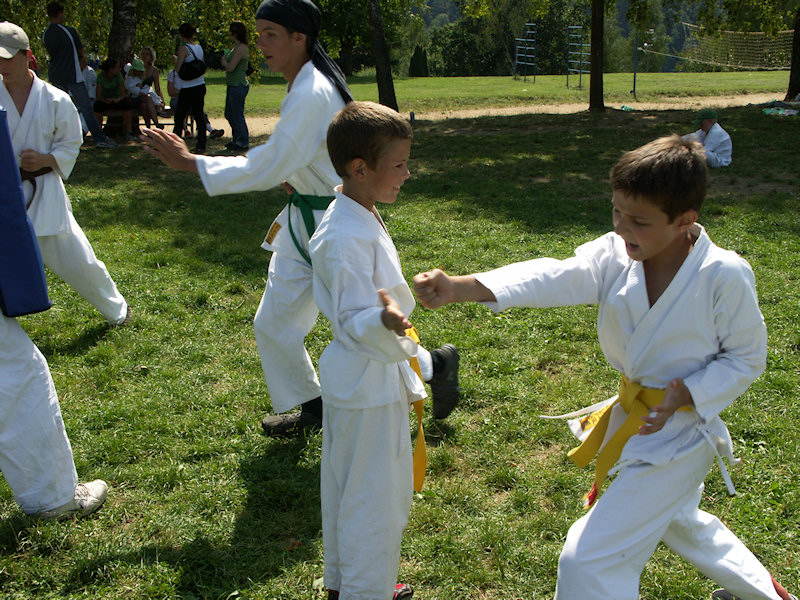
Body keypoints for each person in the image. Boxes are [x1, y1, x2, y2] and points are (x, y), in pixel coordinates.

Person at [413, 135, 795, 600]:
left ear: (684, 220)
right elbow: (554, 275)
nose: (622, 228)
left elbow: (747, 356)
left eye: (639, 221)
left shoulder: (723, 274)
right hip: (637, 423)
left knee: (589, 559)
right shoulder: (616, 254)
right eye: (617, 212)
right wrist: (462, 287)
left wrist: (690, 392)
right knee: (679, 521)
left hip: (681, 436)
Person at [141, 0, 459, 437]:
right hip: (303, 218)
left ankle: (435, 365)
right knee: (274, 323)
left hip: (336, 223)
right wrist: (294, 175)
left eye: (271, 34)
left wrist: (192, 162)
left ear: (299, 38)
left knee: (363, 322)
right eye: (259, 34)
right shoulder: (304, 84)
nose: (261, 44)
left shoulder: (311, 90)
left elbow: (270, 161)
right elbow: (296, 155)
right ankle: (316, 407)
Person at [311, 100, 419, 600]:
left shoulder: (357, 212)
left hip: (365, 378)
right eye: (398, 165)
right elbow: (354, 318)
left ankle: (347, 584)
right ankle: (363, 592)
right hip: (366, 381)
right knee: (375, 500)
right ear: (360, 169)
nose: (407, 173)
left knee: (350, 490)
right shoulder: (343, 236)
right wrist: (383, 320)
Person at [0, 22, 130, 327]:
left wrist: (46, 159)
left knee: (78, 260)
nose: (1, 65)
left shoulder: (55, 99)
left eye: (6, 58)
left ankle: (116, 309)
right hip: (4, 194)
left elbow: (72, 143)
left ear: (27, 56)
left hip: (43, 190)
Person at [41, 2, 117, 148]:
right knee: (86, 107)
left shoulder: (46, 34)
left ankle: (59, 139)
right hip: (72, 74)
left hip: (55, 75)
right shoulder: (69, 31)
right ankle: (100, 139)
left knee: (59, 108)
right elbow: (80, 53)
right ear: (61, 13)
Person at [173, 23, 207, 153]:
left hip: (187, 87)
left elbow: (178, 67)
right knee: (199, 115)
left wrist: (176, 60)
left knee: (180, 116)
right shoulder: (199, 47)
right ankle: (201, 144)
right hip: (200, 84)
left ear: (181, 35)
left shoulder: (184, 48)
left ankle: (175, 144)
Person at [165, 67, 223, 139]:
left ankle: (209, 130)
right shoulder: (173, 73)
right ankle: (191, 131)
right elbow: (171, 92)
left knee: (196, 109)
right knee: (185, 107)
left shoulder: (190, 72)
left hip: (188, 99)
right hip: (176, 100)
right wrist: (185, 92)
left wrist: (181, 91)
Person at [221, 21, 250, 151]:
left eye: (231, 31)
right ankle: (236, 139)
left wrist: (224, 62)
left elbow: (231, 67)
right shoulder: (235, 47)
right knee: (229, 113)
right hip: (232, 84)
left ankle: (243, 141)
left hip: (238, 85)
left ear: (236, 33)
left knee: (237, 114)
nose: (229, 33)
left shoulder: (241, 48)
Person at [94, 57, 137, 142]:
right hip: (105, 100)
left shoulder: (119, 76)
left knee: (127, 104)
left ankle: (129, 132)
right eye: (117, 67)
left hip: (117, 99)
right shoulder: (100, 76)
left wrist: (118, 99)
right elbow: (98, 95)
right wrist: (105, 100)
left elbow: (123, 94)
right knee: (97, 106)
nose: (119, 69)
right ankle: (98, 133)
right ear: (111, 69)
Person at [125, 57, 160, 129]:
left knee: (144, 105)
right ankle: (156, 123)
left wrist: (142, 87)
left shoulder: (140, 78)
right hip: (132, 99)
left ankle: (150, 126)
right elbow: (137, 92)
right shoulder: (129, 79)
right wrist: (141, 88)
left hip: (142, 100)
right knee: (147, 98)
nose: (139, 72)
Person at [138, 45, 167, 116]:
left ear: (151, 57)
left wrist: (162, 101)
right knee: (144, 104)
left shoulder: (154, 70)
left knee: (147, 103)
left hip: (149, 94)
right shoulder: (136, 69)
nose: (144, 56)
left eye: (147, 54)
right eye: (143, 54)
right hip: (138, 94)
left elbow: (157, 88)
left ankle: (156, 117)